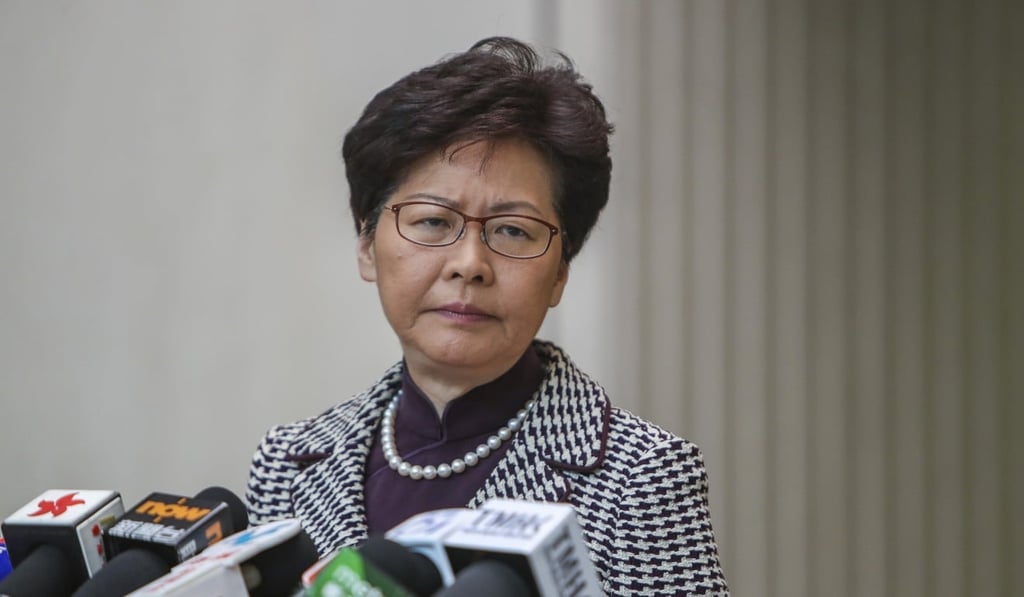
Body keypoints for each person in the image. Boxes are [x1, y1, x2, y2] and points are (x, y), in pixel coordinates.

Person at [246, 36, 728, 595]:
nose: (470, 265)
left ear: (561, 273)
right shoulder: (290, 463)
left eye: (512, 231)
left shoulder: (640, 478)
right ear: (366, 247)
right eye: (432, 221)